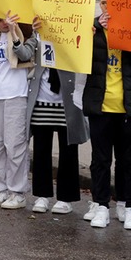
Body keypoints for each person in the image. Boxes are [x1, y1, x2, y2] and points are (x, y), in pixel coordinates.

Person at [82, 15, 131, 231]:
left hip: (130, 109)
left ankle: (128, 205)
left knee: (129, 160)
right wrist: (92, 28)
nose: (109, 9)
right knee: (100, 160)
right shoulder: (93, 31)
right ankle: (101, 205)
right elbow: (76, 56)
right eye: (105, 4)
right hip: (101, 107)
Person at [0, 14, 38, 210]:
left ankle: (17, 192)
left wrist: (14, 30)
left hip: (16, 94)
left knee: (14, 145)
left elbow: (23, 55)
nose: (2, 23)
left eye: (4, 19)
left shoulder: (25, 32)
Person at [26, 42, 87, 215]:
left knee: (68, 150)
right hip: (42, 98)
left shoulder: (73, 28)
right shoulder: (39, 30)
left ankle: (65, 198)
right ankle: (42, 194)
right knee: (41, 149)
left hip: (67, 99)